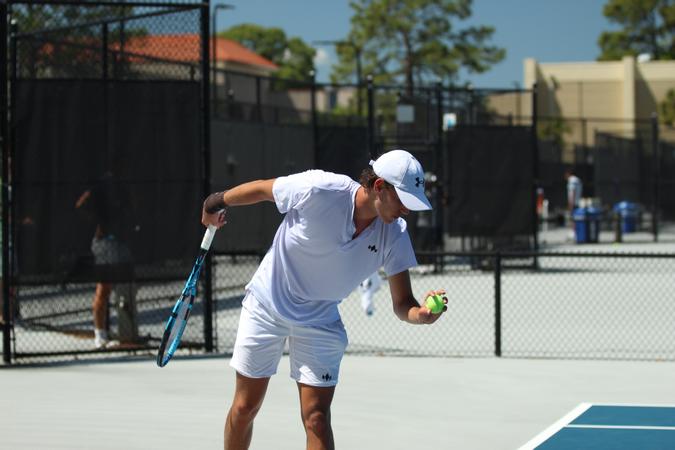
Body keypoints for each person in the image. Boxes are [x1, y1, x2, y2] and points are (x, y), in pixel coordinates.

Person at [201, 149, 448, 450]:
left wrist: (420, 313)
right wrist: (216, 201)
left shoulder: (394, 234)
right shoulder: (320, 189)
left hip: (320, 319)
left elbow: (403, 302)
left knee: (317, 417)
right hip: (267, 305)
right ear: (379, 187)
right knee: (244, 408)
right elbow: (264, 189)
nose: (406, 211)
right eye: (403, 201)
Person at [75, 170, 134, 349]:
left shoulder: (123, 188)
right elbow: (80, 205)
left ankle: (126, 334)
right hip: (104, 242)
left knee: (124, 288)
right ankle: (100, 335)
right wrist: (97, 220)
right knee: (104, 288)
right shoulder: (99, 188)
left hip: (121, 241)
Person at [565, 169, 583, 239]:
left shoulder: (572, 180)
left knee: (573, 218)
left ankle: (574, 233)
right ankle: (575, 233)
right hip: (578, 201)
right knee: (576, 218)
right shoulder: (578, 180)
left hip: (573, 202)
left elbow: (572, 191)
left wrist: (571, 203)